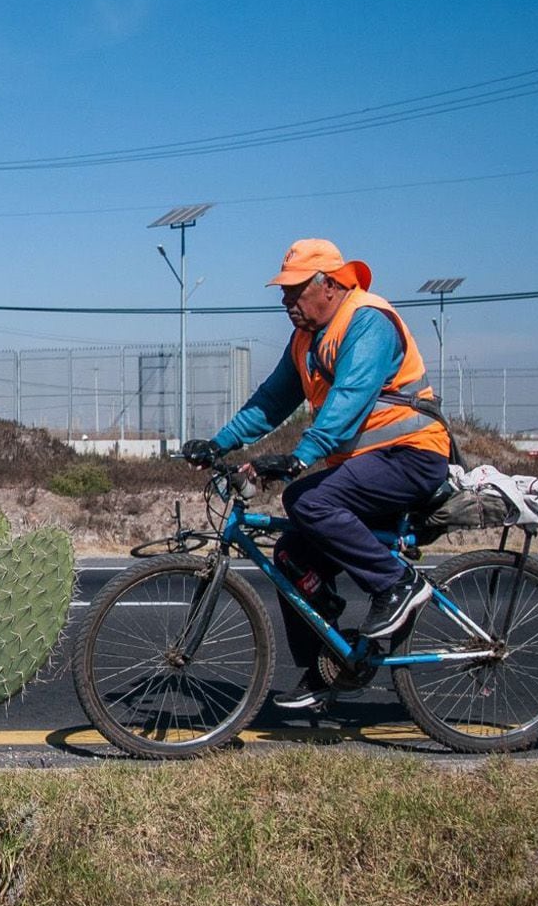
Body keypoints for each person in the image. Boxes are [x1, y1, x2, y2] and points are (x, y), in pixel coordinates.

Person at [181, 238, 452, 710]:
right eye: (284, 292)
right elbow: (270, 403)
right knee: (290, 556)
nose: (287, 301)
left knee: (307, 500)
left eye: (296, 290)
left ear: (329, 283)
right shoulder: (306, 339)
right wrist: (218, 442)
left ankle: (397, 584)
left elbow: (350, 397)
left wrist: (301, 457)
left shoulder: (368, 320)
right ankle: (327, 668)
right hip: (367, 467)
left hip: (412, 456)